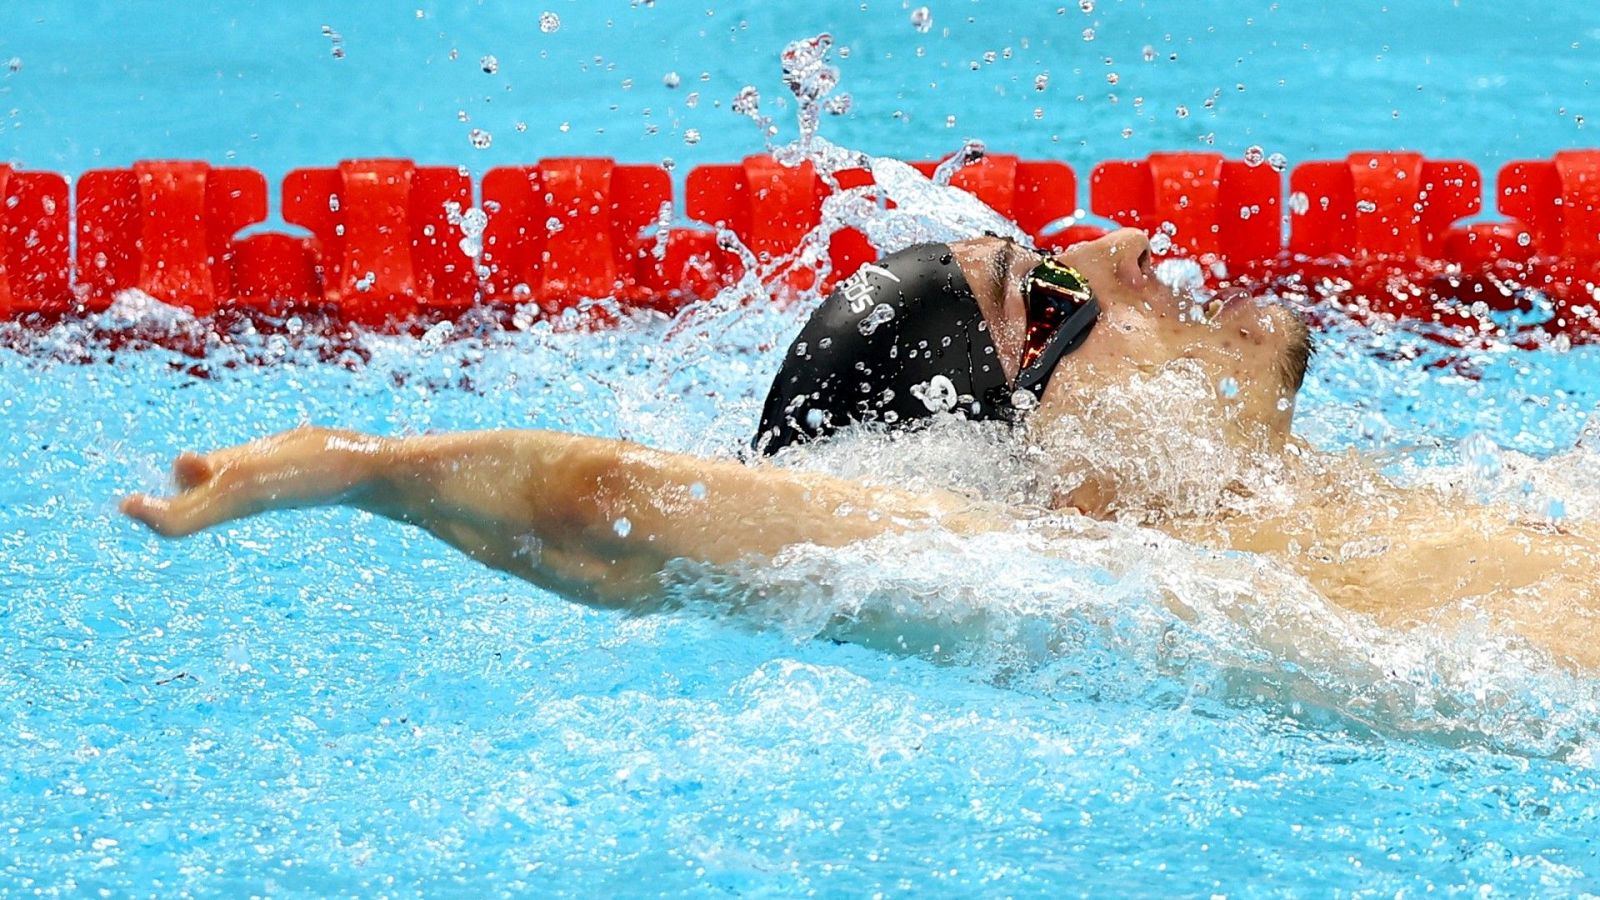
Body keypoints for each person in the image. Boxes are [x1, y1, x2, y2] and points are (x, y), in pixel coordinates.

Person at [120, 229, 1600, 670]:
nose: (1136, 246)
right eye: (1057, 295)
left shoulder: (1387, 514)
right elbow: (616, 506)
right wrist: (364, 467)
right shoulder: (1111, 573)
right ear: (1019, 439)